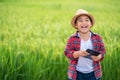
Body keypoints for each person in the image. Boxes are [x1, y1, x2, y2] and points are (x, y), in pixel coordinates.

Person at [64, 9, 106, 80]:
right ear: (76, 25)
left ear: (91, 24)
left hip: (94, 73)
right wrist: (77, 53)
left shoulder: (97, 37)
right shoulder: (72, 38)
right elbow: (67, 52)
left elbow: (102, 50)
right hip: (76, 73)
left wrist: (99, 56)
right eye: (80, 20)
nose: (84, 23)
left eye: (87, 20)